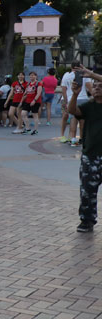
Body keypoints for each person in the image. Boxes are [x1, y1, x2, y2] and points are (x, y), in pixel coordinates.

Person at [68, 66, 102, 232]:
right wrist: (74, 94)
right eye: (94, 85)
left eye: (100, 85)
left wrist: (91, 75)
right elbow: (72, 110)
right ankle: (87, 220)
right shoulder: (89, 106)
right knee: (87, 191)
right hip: (91, 156)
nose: (96, 88)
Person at [21, 71, 43, 135]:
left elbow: (39, 93)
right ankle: (27, 128)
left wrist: (34, 100)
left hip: (35, 101)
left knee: (35, 115)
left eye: (33, 75)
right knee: (23, 113)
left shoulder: (38, 83)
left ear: (36, 76)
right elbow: (26, 92)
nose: (31, 77)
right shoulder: (28, 84)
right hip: (27, 101)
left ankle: (36, 130)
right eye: (30, 75)